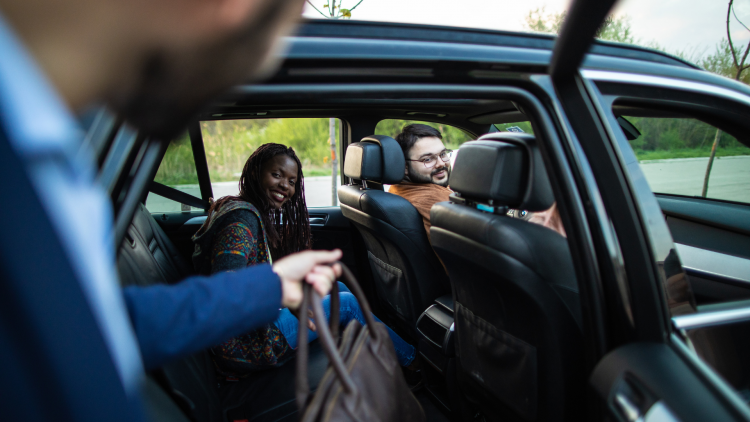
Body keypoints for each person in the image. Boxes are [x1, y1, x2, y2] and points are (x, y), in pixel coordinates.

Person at [0, 0, 339, 419]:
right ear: (235, 8)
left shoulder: (59, 170)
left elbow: (101, 329)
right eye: (282, 27)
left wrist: (267, 287)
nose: (263, 62)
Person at [192, 143, 416, 376]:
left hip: (251, 325)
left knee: (334, 285)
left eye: (291, 181)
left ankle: (375, 360)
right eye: (276, 175)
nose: (285, 186)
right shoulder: (241, 220)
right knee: (347, 304)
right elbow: (226, 288)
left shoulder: (243, 208)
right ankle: (413, 362)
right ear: (255, 172)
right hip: (245, 343)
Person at [389, 124, 453, 241]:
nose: (441, 163)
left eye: (443, 154)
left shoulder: (397, 189)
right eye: (427, 159)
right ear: (405, 167)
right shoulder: (435, 200)